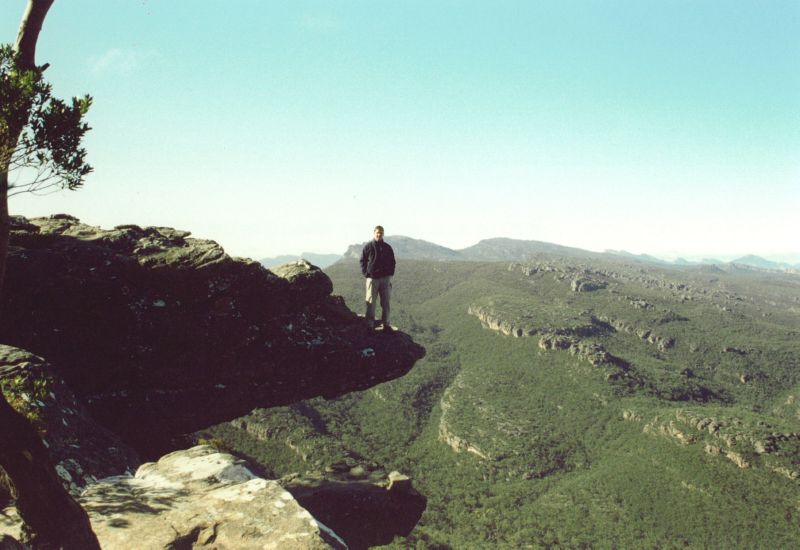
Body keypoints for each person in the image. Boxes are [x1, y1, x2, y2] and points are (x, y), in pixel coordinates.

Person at [360, 225, 396, 332]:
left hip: (385, 279)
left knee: (386, 303)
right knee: (371, 302)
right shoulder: (368, 247)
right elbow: (362, 261)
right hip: (372, 279)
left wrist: (390, 273)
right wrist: (366, 274)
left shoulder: (387, 247)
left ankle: (386, 324)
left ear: (383, 234)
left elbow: (392, 261)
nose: (379, 234)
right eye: (377, 232)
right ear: (374, 233)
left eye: (381, 232)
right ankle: (370, 325)